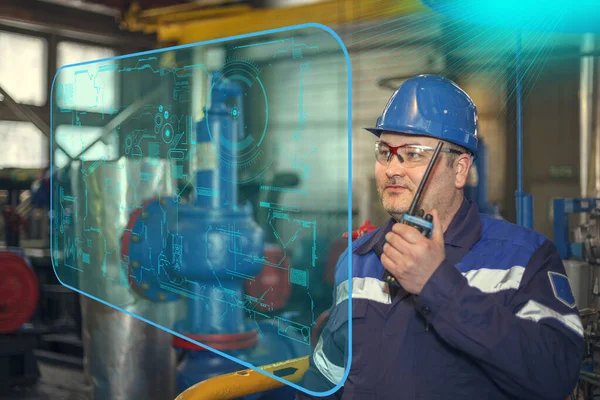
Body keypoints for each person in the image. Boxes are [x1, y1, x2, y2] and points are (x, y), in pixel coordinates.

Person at [295, 75, 584, 400]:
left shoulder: (524, 259)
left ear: (460, 169)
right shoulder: (359, 259)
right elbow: (326, 377)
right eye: (385, 151)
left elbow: (555, 373)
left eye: (414, 153)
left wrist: (437, 284)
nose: (392, 168)